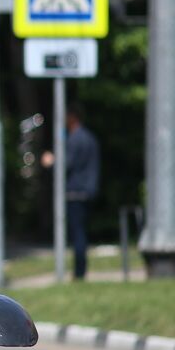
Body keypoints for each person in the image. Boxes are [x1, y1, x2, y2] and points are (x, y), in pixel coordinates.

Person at [42, 107, 100, 280]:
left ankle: (79, 272)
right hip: (88, 191)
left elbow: (65, 166)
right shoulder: (90, 138)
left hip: (75, 192)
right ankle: (81, 270)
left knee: (78, 233)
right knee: (81, 231)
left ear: (73, 118)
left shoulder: (74, 140)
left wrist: (51, 162)